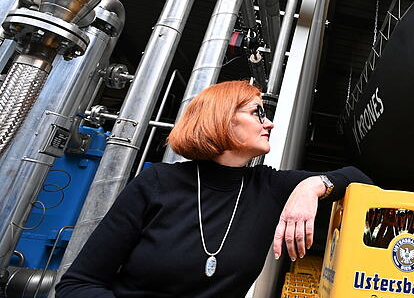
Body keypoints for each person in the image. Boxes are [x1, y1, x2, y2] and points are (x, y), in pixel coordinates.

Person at [56, 80, 372, 297]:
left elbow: (361, 179)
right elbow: (78, 284)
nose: (269, 123)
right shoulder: (158, 184)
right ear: (221, 119)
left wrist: (313, 186)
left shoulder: (270, 187)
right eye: (256, 112)